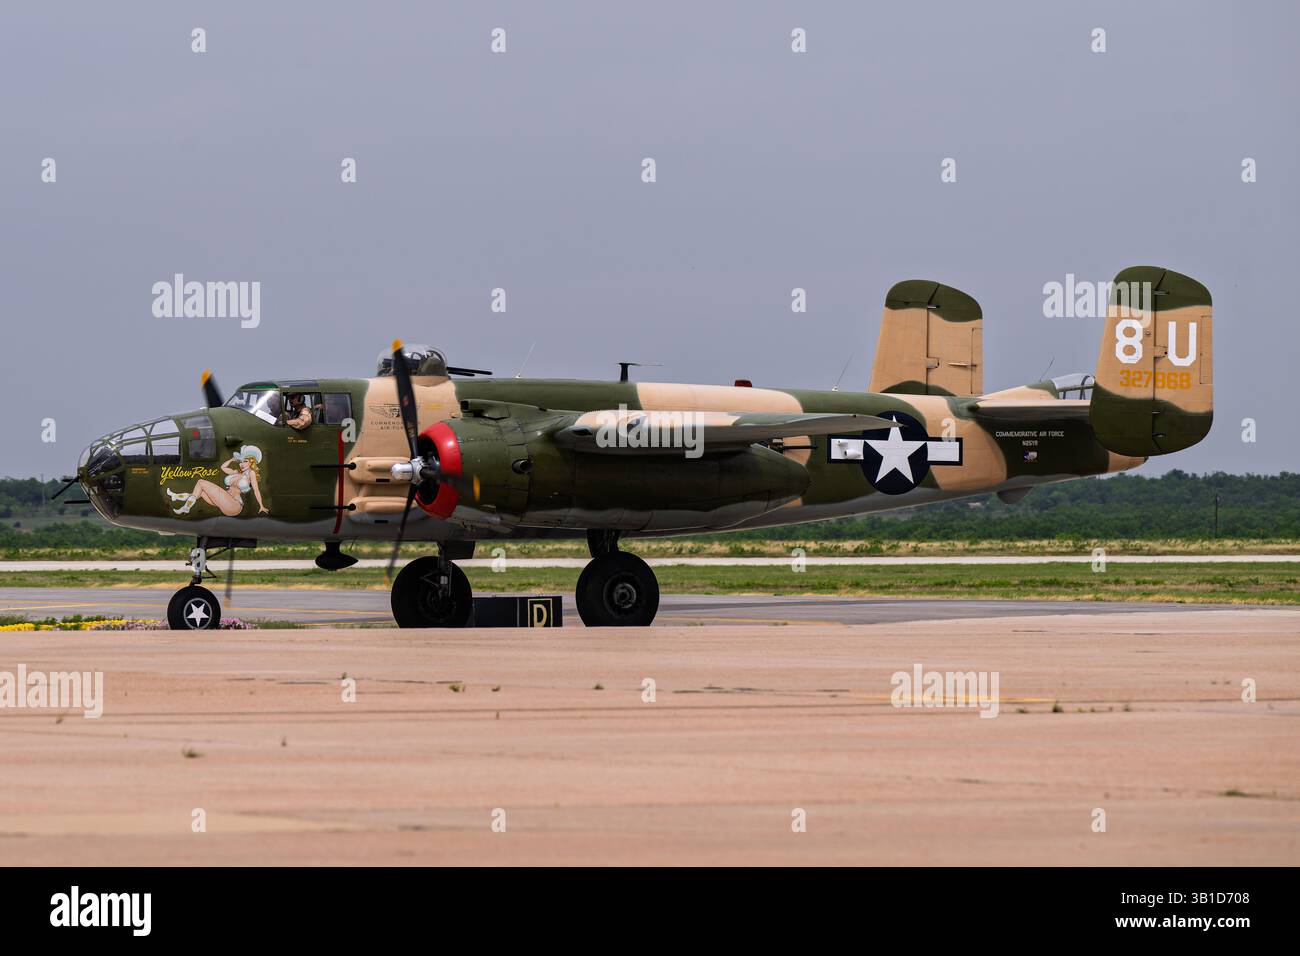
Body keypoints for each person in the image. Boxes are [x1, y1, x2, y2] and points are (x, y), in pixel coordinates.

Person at [166, 445, 269, 516]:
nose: (242, 464)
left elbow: (256, 490)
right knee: (199, 492)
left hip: (234, 504)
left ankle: (185, 507)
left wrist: (261, 506)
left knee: (201, 482)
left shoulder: (251, 473)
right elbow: (223, 467)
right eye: (241, 461)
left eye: (245, 461)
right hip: (225, 500)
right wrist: (232, 460)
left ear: (251, 462)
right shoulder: (236, 472)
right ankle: (176, 497)